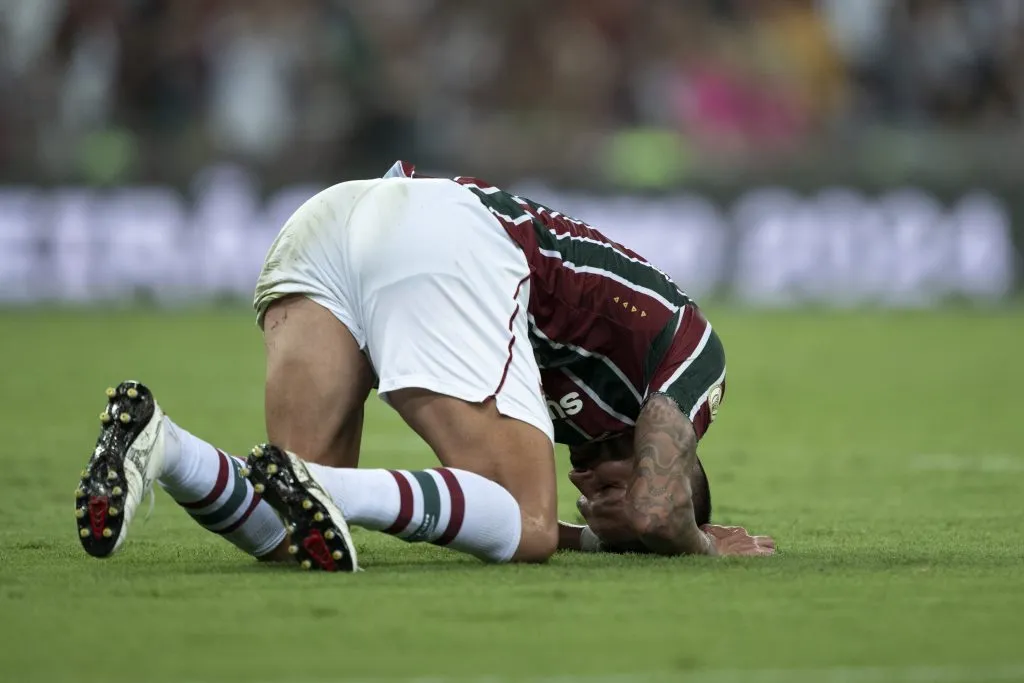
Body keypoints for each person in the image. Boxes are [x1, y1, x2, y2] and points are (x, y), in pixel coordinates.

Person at [74, 161, 774, 571]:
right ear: (679, 462)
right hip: (448, 233)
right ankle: (321, 484)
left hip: (332, 221)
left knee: (296, 532)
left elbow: (623, 512)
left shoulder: (580, 409)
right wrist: (698, 541)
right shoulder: (691, 352)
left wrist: (597, 537)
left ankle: (159, 444)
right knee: (529, 527)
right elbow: (656, 513)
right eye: (611, 480)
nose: (586, 486)